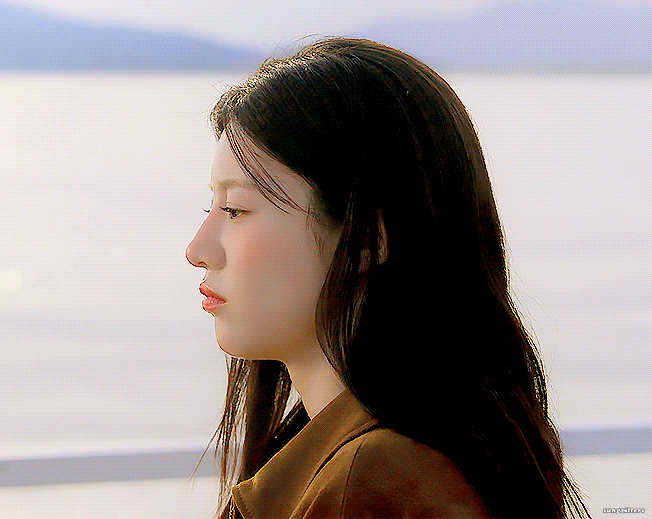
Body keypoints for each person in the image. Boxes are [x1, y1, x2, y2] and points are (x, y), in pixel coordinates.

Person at [186, 37, 590, 519]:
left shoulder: (370, 483)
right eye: (211, 207)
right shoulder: (430, 454)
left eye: (235, 209)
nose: (197, 251)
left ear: (366, 239)